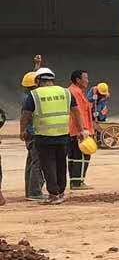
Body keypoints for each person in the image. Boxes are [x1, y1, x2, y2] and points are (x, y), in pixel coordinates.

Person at [19, 68, 73, 204]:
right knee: (61, 164)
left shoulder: (34, 94)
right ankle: (60, 192)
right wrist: (83, 129)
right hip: (62, 135)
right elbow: (76, 110)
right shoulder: (65, 92)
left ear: (38, 81)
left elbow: (25, 115)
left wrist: (22, 130)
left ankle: (51, 194)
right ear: (52, 79)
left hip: (43, 136)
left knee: (46, 165)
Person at [68, 70, 95, 190]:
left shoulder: (75, 91)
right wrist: (83, 130)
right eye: (86, 78)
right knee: (82, 156)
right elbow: (78, 113)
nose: (87, 81)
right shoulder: (75, 92)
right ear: (78, 80)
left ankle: (75, 181)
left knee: (74, 156)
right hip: (79, 130)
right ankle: (78, 182)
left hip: (74, 130)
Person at [20, 70, 44, 201]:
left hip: (29, 134)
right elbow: (26, 116)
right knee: (38, 162)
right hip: (34, 133)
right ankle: (35, 192)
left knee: (31, 162)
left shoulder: (27, 95)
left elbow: (32, 76)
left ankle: (30, 191)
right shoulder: (32, 98)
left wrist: (37, 66)